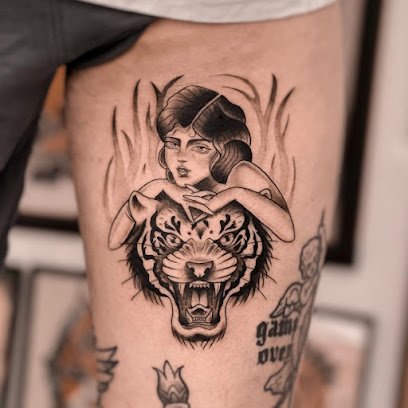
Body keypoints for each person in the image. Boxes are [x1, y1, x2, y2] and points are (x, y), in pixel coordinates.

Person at [1, 1, 344, 406]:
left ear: (223, 149)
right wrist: (142, 202)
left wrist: (233, 195)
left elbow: (283, 229)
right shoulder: (162, 187)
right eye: (173, 145)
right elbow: (118, 237)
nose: (181, 158)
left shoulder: (243, 176)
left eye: (198, 147)